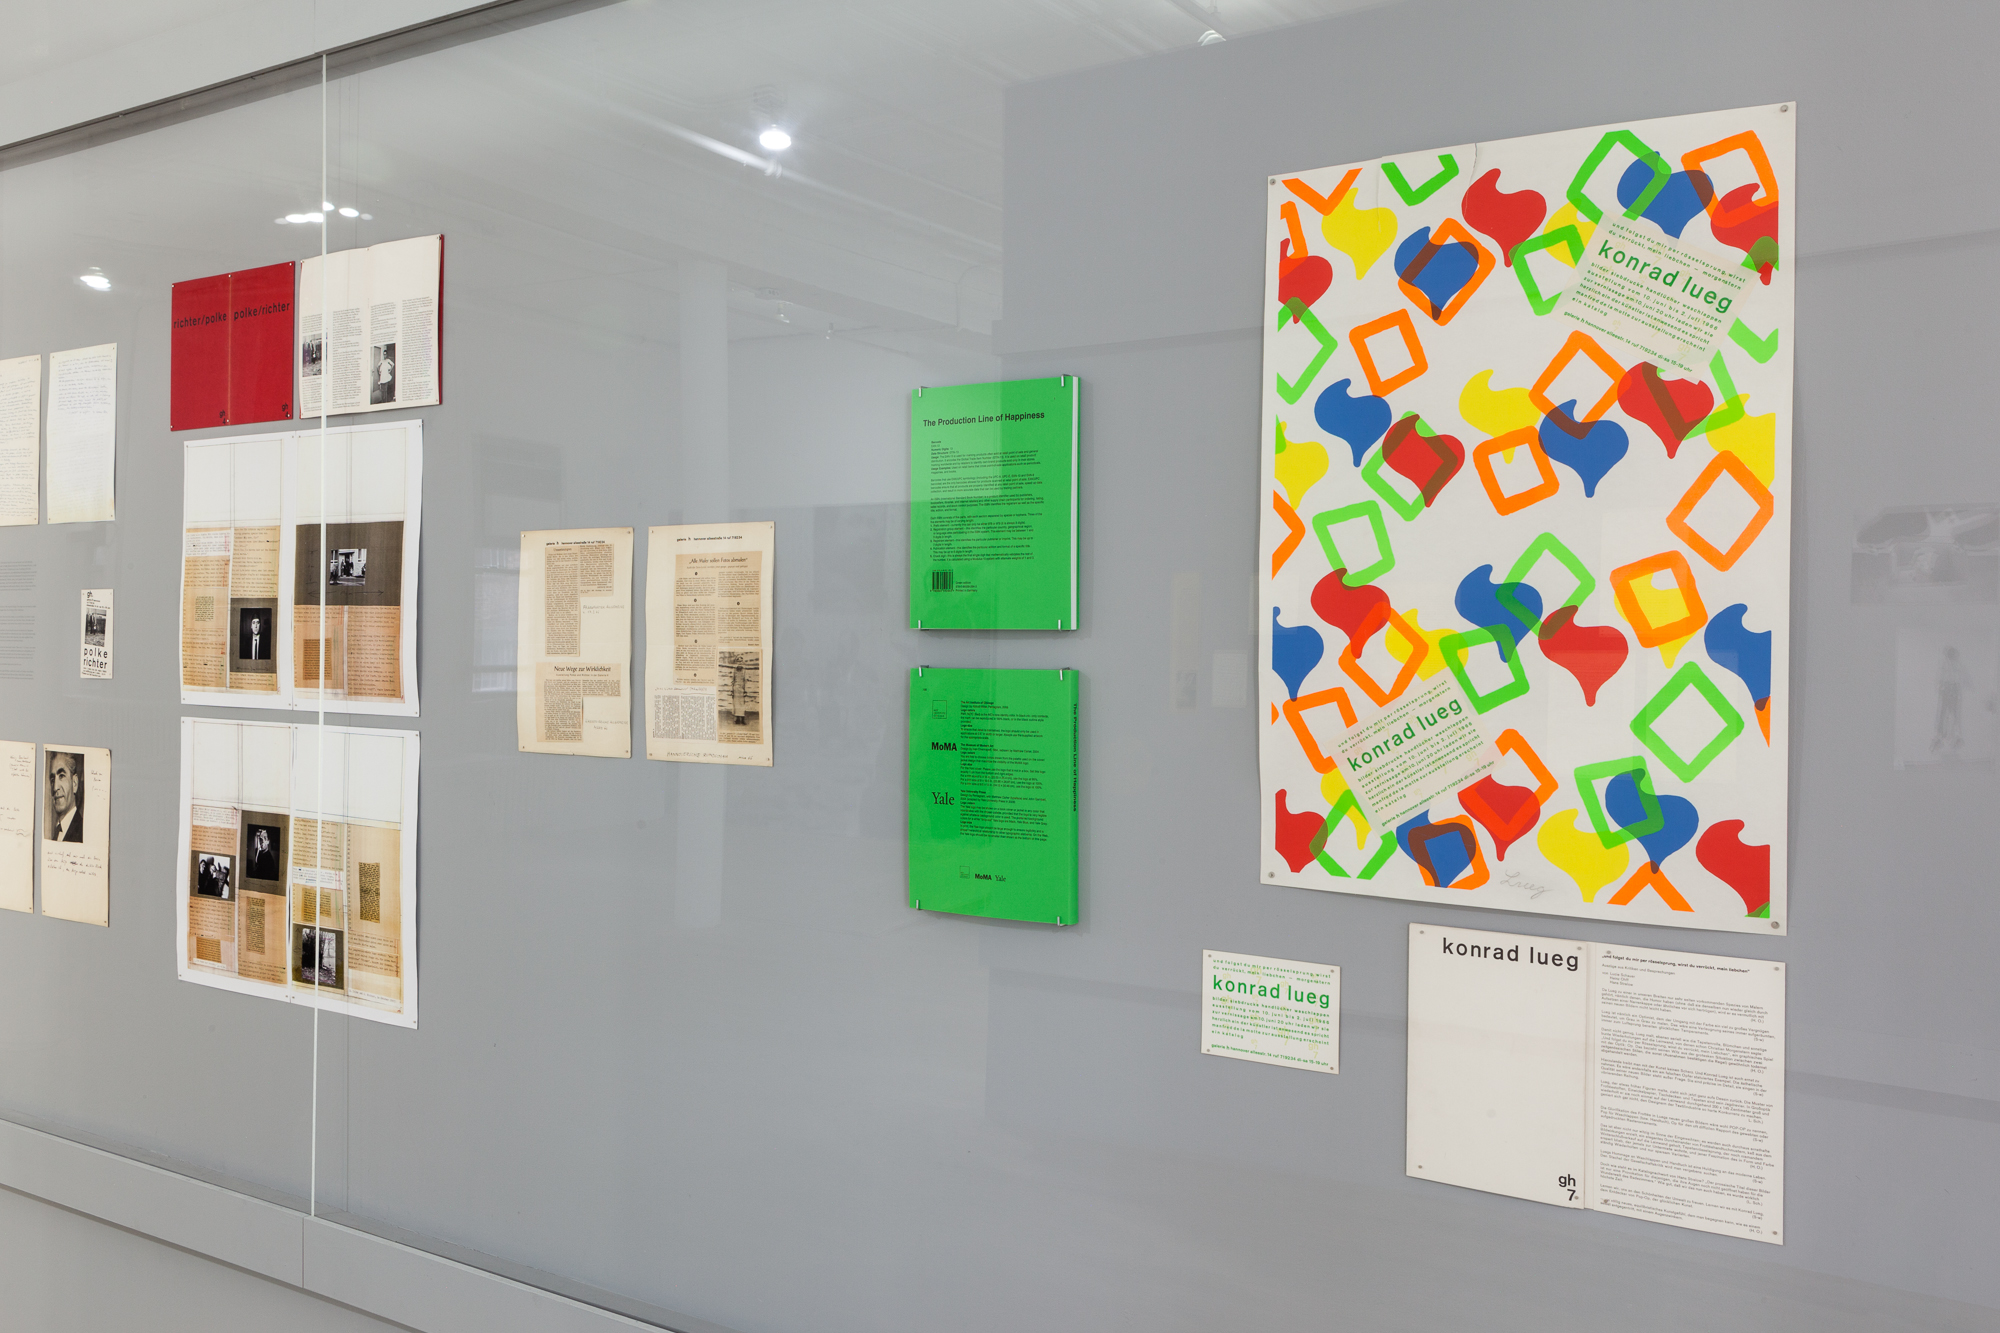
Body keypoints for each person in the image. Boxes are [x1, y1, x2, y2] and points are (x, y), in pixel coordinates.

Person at [48, 752, 84, 842]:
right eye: (52, 779)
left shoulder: (83, 832)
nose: (55, 787)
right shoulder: (56, 833)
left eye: (62, 776)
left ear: (74, 783)